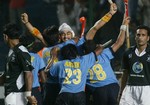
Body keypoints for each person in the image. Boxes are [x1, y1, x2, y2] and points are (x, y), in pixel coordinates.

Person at [83, 15, 130, 105]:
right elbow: (119, 42)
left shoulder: (82, 61)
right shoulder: (104, 53)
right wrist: (123, 25)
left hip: (99, 90)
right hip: (113, 86)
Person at [2, 23, 37, 105]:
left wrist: (28, 95)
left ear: (5, 37)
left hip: (17, 95)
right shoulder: (12, 51)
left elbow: (29, 74)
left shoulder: (21, 51)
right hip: (11, 93)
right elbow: (7, 74)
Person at [118, 25, 150, 105]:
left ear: (148, 38)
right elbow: (125, 74)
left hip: (146, 89)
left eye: (143, 35)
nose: (140, 37)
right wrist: (121, 91)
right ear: (135, 37)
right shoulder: (128, 52)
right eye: (138, 35)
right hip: (129, 88)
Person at [20, 35, 46, 105]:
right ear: (32, 45)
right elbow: (43, 79)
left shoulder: (19, 57)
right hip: (34, 90)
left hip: (21, 90)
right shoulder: (37, 57)